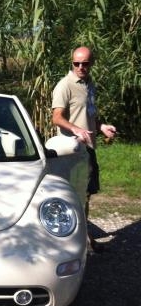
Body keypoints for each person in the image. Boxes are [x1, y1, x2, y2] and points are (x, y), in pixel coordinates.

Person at [51, 46, 117, 250]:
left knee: (86, 194)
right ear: (72, 63)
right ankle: (71, 240)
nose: (80, 67)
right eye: (76, 63)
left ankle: (84, 238)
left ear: (91, 64)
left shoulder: (89, 85)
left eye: (85, 64)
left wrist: (101, 127)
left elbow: (89, 116)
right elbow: (57, 118)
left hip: (87, 148)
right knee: (72, 194)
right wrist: (76, 130)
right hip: (71, 151)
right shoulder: (65, 86)